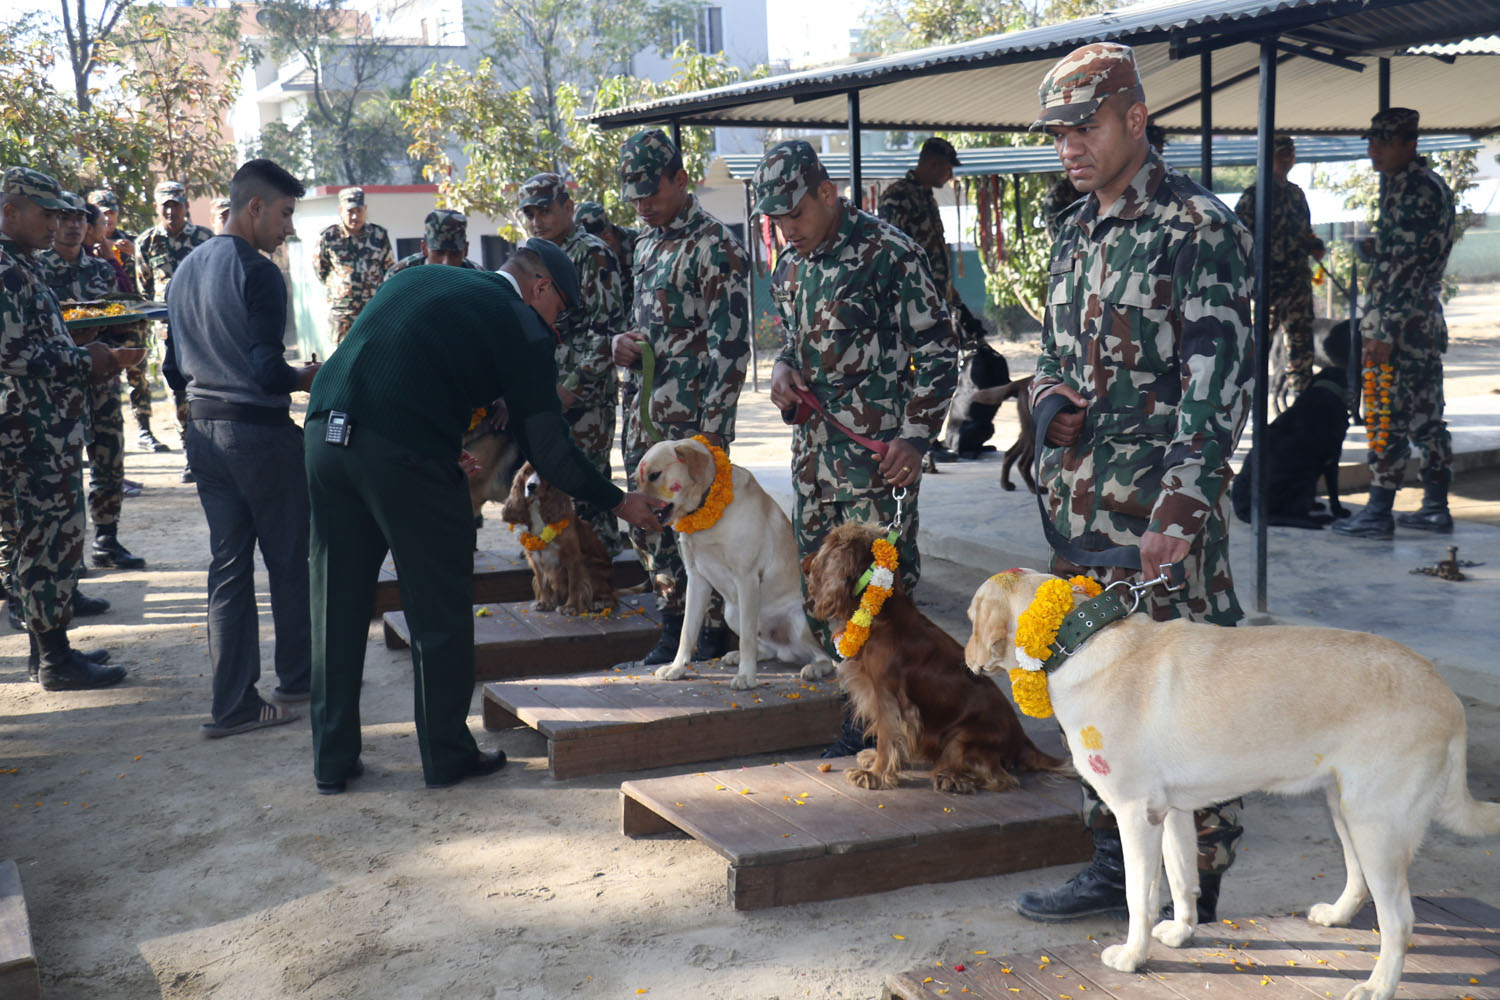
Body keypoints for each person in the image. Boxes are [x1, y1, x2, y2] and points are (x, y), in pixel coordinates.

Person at [1019, 42, 1255, 925]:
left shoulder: (1200, 228)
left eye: (1082, 126)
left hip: (1158, 528)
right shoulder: (1074, 228)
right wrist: (1052, 409)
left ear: (1133, 119)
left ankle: (1203, 884)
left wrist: (1178, 514)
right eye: (1056, 133)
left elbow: (1218, 387)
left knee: (1188, 708)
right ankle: (1116, 870)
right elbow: (1047, 356)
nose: (1068, 146)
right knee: (1096, 692)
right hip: (1083, 522)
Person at [304, 239, 664, 793]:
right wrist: (618, 501)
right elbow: (549, 447)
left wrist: (442, 443)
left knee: (338, 599)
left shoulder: (422, 279)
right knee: (439, 602)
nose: (556, 329)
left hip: (325, 437)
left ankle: (332, 760)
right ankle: (447, 755)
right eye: (559, 313)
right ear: (540, 288)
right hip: (402, 455)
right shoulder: (517, 319)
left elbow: (396, 368)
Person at [759, 140, 957, 754]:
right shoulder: (788, 265)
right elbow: (792, 341)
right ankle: (863, 704)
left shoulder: (888, 253)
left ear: (827, 193)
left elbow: (940, 352)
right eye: (778, 220)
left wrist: (916, 438)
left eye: (796, 214)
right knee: (823, 585)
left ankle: (891, 721)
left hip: (876, 462)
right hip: (815, 457)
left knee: (883, 593)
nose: (789, 229)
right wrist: (783, 372)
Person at [163, 159, 320, 738]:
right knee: (289, 559)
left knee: (228, 568)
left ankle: (233, 704)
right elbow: (265, 371)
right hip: (258, 435)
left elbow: (173, 370)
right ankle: (299, 678)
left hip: (203, 434)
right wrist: (307, 376)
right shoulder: (258, 272)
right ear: (254, 207)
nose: (287, 228)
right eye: (283, 214)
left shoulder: (184, 271)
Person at [613, 128, 751, 664]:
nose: (644, 205)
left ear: (681, 180)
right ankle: (673, 622)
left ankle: (714, 632)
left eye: (653, 192)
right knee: (649, 526)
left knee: (702, 528)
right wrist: (619, 343)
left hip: (692, 428)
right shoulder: (646, 242)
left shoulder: (716, 245)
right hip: (645, 418)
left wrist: (710, 436)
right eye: (636, 197)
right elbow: (642, 322)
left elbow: (731, 348)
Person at [0, 166, 126, 690]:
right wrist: (84, 360)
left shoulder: (19, 263)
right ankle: (55, 659)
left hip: (41, 430)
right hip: (26, 434)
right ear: (10, 211)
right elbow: (12, 352)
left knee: (38, 541)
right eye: (45, 212)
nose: (56, 222)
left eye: (61, 213)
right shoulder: (5, 269)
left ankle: (48, 651)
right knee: (43, 542)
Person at [1333, 108, 1457, 540]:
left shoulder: (1411, 190)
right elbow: (1411, 257)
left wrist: (1382, 331)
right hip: (1420, 320)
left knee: (1385, 412)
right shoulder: (1422, 185)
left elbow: (1406, 267)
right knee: (1426, 417)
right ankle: (1436, 506)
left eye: (1384, 142)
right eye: (1372, 141)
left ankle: (1379, 511)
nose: (1375, 150)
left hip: (1399, 325)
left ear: (1410, 144)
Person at [34, 192, 147, 571]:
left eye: (80, 218)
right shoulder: (36, 268)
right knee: (63, 472)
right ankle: (69, 556)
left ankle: (107, 540)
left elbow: (122, 318)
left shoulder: (100, 270)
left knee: (109, 460)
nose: (73, 225)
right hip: (55, 389)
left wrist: (123, 353)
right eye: (65, 218)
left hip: (101, 382)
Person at [519, 172, 626, 558]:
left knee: (588, 483)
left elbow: (608, 331)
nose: (537, 221)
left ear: (568, 207)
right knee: (544, 483)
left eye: (545, 210)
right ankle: (555, 567)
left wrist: (573, 384)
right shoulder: (529, 256)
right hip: (545, 389)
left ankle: (601, 570)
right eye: (529, 213)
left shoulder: (592, 252)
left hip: (586, 394)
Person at [1235, 134, 1326, 396]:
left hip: (1297, 285)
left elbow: (1305, 233)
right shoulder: (1253, 196)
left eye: (1290, 153)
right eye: (1281, 153)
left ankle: (1302, 409)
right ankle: (1244, 406)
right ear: (1268, 158)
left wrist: (1314, 245)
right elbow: (1238, 240)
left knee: (1301, 350)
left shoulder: (1297, 195)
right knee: (1253, 351)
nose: (1287, 158)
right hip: (1265, 288)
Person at [136, 180, 211, 472]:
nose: (171, 210)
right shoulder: (146, 243)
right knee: (176, 392)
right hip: (167, 330)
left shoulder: (205, 238)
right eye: (165, 205)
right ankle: (190, 451)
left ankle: (209, 449)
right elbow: (144, 289)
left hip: (202, 328)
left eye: (176, 204)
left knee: (205, 388)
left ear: (185, 206)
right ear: (157, 207)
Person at [314, 187, 393, 346]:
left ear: (365, 209)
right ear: (341, 210)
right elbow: (321, 270)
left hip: (373, 310)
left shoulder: (379, 236)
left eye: (359, 210)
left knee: (375, 356)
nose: (355, 216)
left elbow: (389, 269)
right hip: (343, 314)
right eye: (350, 211)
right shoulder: (329, 237)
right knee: (343, 362)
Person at [385, 209, 476, 278]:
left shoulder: (478, 277)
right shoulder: (399, 275)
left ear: (466, 250)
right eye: (439, 253)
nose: (446, 262)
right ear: (424, 248)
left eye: (454, 254)